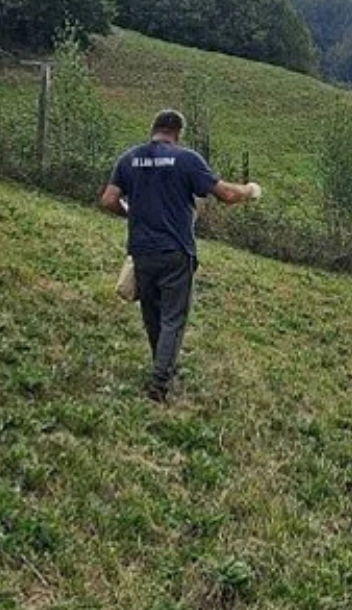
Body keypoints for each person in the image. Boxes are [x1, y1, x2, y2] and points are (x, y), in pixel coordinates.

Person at [100, 110, 262, 403]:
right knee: (174, 317)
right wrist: (249, 191)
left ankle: (161, 366)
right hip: (176, 252)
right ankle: (161, 383)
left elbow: (109, 199)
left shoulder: (129, 159)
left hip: (141, 252)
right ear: (177, 132)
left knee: (153, 315)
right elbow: (225, 194)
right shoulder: (186, 159)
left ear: (154, 130)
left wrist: (131, 214)